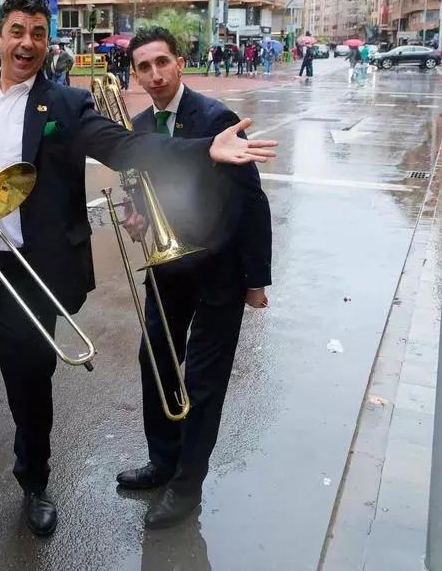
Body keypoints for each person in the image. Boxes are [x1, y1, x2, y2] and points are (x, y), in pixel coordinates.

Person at [0, 0, 278, 538]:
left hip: (27, 274)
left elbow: (125, 147)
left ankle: (34, 484)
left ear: (48, 41)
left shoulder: (66, 105)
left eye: (36, 32)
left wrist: (202, 151)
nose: (26, 42)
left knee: (28, 386)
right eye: (16, 31)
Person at [117, 26, 273, 529]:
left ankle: (187, 484)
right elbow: (142, 194)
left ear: (180, 62)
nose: (155, 74)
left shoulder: (216, 118)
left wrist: (255, 278)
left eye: (162, 62)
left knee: (204, 381)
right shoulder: (139, 126)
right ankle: (162, 460)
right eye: (144, 67)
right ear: (136, 74)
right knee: (155, 360)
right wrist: (137, 217)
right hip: (168, 265)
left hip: (219, 270)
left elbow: (251, 198)